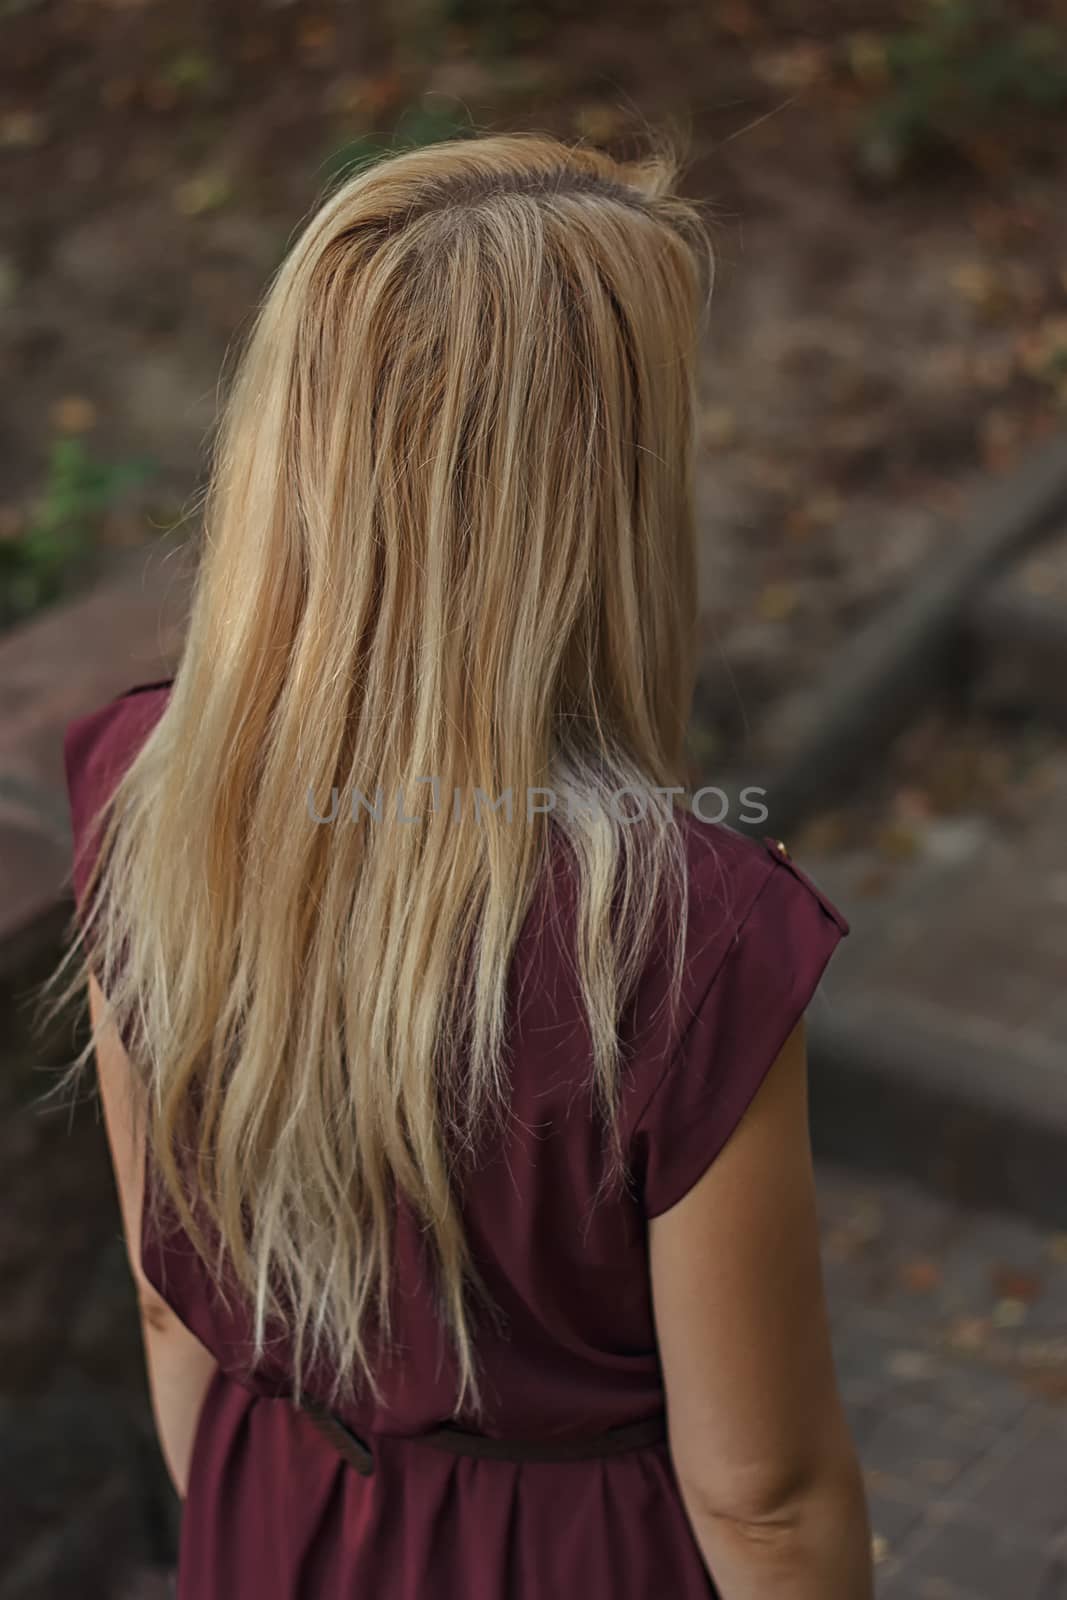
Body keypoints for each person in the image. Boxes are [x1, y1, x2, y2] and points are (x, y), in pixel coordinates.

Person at [52, 131, 873, 1598]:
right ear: (593, 502)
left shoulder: (142, 796)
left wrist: (262, 1535)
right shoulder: (691, 945)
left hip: (273, 1508)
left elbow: (170, 1306)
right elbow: (765, 1496)